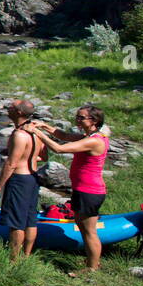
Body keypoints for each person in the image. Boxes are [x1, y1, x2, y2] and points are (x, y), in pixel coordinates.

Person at [33, 105, 109, 273]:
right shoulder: (89, 136)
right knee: (83, 227)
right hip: (83, 189)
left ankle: (92, 268)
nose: (77, 120)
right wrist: (45, 126)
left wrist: (38, 134)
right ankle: (92, 261)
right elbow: (65, 136)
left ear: (94, 121)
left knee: (89, 231)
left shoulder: (94, 141)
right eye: (77, 117)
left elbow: (59, 148)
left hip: (89, 191)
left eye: (81, 118)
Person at [0, 99, 41, 262]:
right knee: (30, 220)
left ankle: (13, 260)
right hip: (33, 178)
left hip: (20, 180)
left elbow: (11, 163)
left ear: (19, 112)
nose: (7, 108)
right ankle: (26, 256)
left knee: (16, 222)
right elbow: (43, 156)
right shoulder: (35, 131)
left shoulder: (19, 134)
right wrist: (28, 157)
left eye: (11, 107)